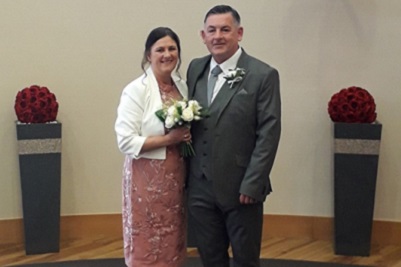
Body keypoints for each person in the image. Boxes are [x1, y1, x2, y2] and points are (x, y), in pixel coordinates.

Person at [186, 5, 281, 267]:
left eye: (225, 29)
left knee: (245, 259)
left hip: (241, 189)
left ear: (239, 33)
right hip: (200, 188)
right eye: (211, 30)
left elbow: (268, 133)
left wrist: (253, 183)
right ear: (203, 35)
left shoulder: (263, 75)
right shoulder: (195, 69)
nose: (218, 36)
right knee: (210, 257)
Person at [115, 27, 190, 267]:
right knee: (149, 239)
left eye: (172, 49)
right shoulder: (136, 90)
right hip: (145, 181)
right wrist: (171, 139)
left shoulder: (182, 87)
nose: (167, 54)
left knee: (172, 238)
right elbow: (125, 141)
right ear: (149, 55)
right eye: (160, 49)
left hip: (175, 178)